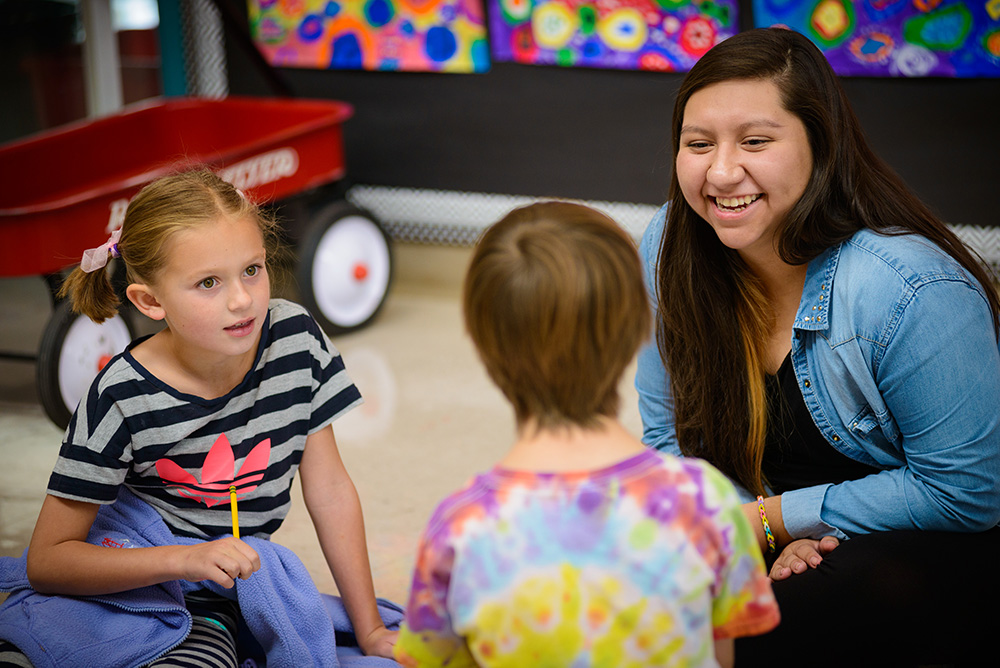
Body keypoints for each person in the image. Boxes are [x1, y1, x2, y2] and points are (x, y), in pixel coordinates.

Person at [635, 27, 1000, 665]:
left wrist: (780, 520)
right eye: (698, 144)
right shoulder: (667, 245)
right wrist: (755, 530)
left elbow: (966, 493)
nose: (721, 171)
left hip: (914, 539)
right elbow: (668, 442)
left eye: (755, 141)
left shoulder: (909, 286)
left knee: (751, 633)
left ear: (819, 147)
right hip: (756, 517)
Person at [0, 169, 397, 667]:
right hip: (138, 587)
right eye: (208, 282)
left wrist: (372, 629)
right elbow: (48, 560)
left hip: (226, 592)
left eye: (252, 269)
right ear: (150, 301)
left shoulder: (297, 339)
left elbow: (331, 491)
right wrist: (184, 560)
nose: (241, 299)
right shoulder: (120, 394)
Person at [394, 201, 780, 667]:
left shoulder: (457, 529)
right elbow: (718, 656)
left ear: (480, 343)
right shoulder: (706, 501)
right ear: (641, 326)